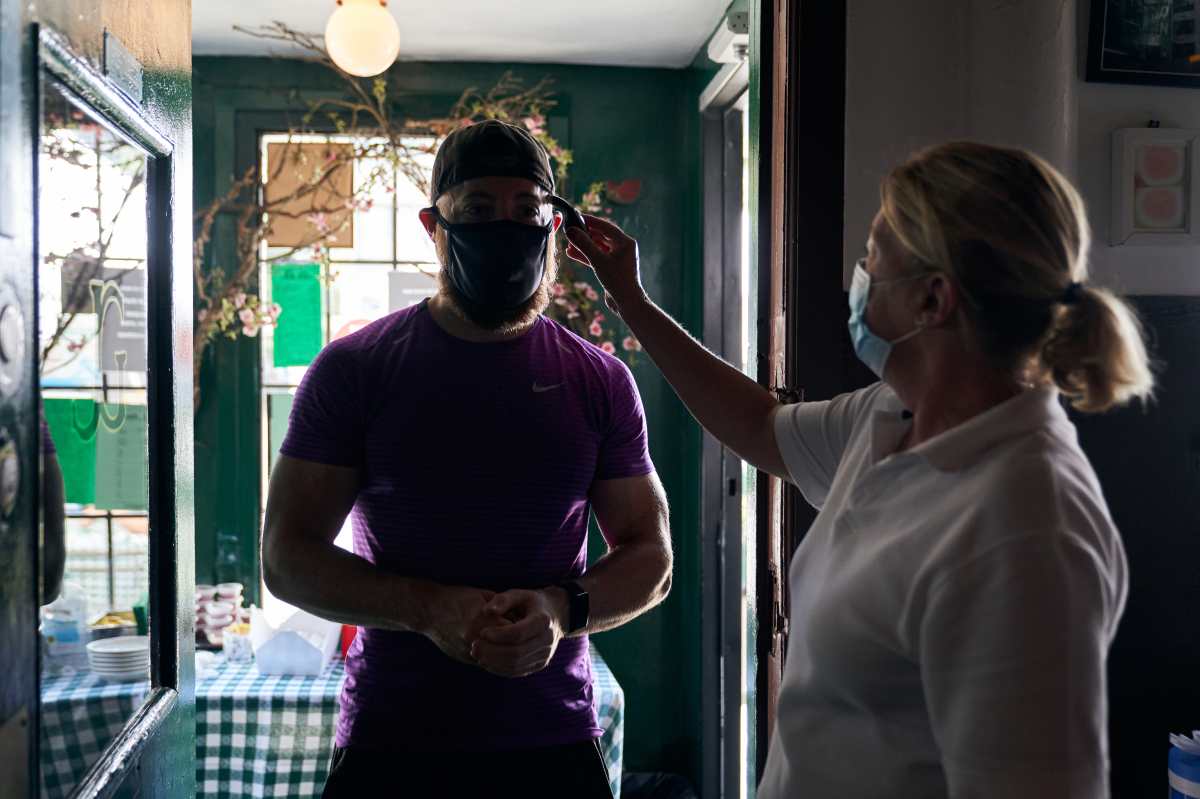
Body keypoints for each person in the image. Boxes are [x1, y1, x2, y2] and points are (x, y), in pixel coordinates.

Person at [565, 141, 1153, 797]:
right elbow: (759, 427)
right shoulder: (893, 415)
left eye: (874, 253)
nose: (860, 273)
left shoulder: (1027, 528)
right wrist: (632, 302)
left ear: (933, 300)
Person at [261, 119, 672, 799]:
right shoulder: (355, 370)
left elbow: (650, 556)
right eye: (479, 210)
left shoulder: (599, 381)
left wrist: (561, 608)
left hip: (551, 740)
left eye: (526, 209)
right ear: (434, 224)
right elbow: (286, 556)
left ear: (555, 226)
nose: (505, 228)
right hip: (393, 740)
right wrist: (429, 609)